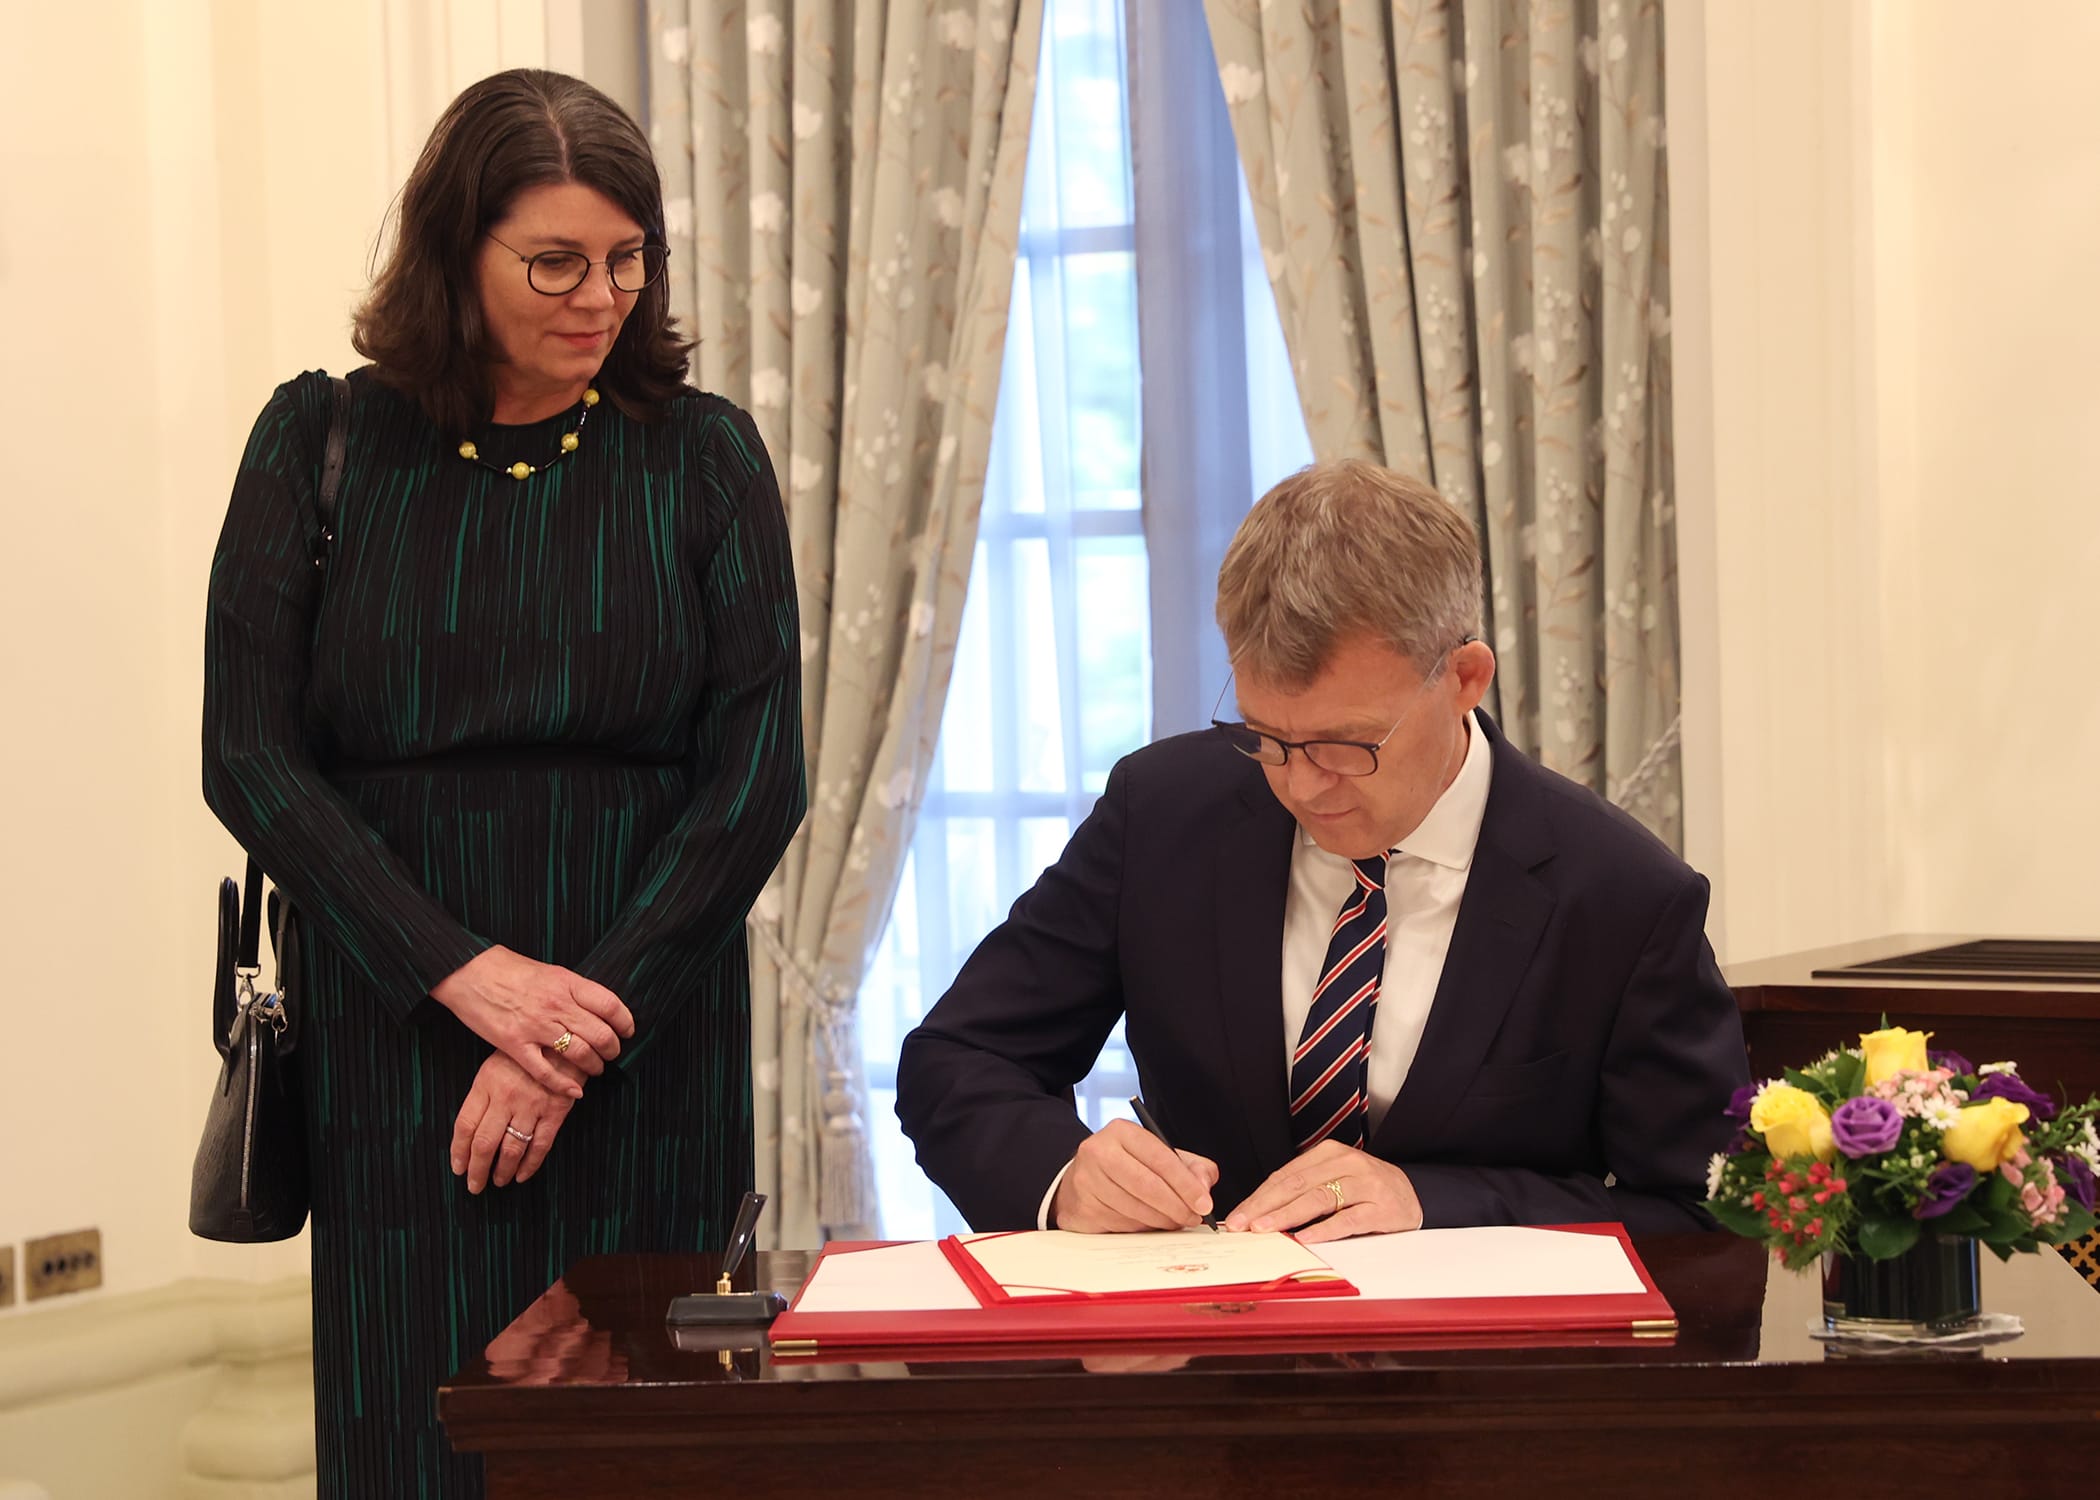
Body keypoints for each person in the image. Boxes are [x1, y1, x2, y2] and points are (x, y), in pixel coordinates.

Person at [202, 69, 805, 1498]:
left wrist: (573, 1029)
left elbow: (758, 778)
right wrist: (470, 981)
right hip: (398, 1052)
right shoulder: (319, 442)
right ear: (452, 254)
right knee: (416, 1441)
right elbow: (248, 755)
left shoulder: (703, 457)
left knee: (651, 1454)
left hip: (644, 1052)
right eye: (554, 262)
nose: (598, 298)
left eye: (627, 259)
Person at [896, 460, 1747, 1242]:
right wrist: (1064, 1178)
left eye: (1348, 745)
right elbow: (958, 1059)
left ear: (1465, 679)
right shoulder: (1164, 814)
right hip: (1202, 1365)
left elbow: (1704, 1210)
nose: (1302, 787)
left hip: (1480, 1388)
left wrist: (1434, 1202)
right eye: (1266, 736)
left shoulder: (1622, 897)